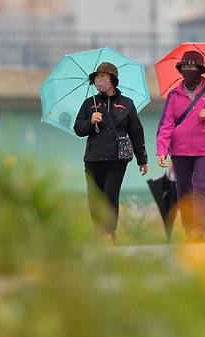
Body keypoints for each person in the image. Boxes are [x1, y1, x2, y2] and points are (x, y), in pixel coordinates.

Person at [156, 51, 205, 242]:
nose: (188, 71)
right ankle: (189, 226)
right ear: (180, 70)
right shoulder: (174, 95)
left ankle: (198, 228)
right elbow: (166, 124)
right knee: (183, 189)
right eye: (184, 68)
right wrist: (162, 150)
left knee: (201, 187)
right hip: (179, 150)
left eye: (192, 68)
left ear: (200, 71)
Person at [74, 62, 149, 242]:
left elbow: (136, 132)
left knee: (110, 196)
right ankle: (99, 233)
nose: (99, 81)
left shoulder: (127, 104)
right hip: (93, 159)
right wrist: (90, 121)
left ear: (112, 80)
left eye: (103, 77)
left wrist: (142, 159)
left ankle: (109, 233)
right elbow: (78, 129)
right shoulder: (88, 104)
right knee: (95, 199)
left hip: (117, 160)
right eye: (97, 78)